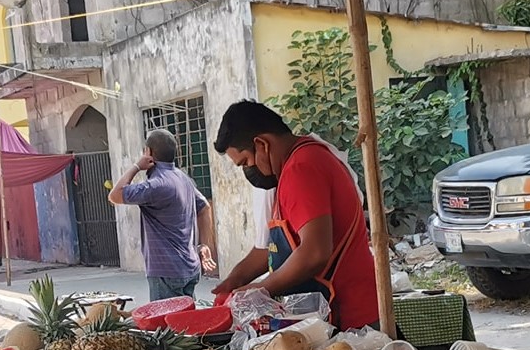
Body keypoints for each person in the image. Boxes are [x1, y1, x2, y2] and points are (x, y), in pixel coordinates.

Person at [210, 101, 380, 330]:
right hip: (339, 313)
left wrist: (261, 289)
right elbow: (273, 250)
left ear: (262, 144)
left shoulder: (301, 168)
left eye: (245, 163)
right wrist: (236, 280)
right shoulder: (296, 164)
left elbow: (314, 252)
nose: (247, 170)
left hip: (353, 318)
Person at [109, 128, 217, 301]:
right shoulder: (183, 179)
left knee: (167, 325)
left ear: (149, 153)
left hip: (166, 272)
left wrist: (137, 166)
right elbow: (204, 207)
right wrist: (204, 244)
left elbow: (115, 195)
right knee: (186, 323)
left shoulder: (156, 185)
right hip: (189, 267)